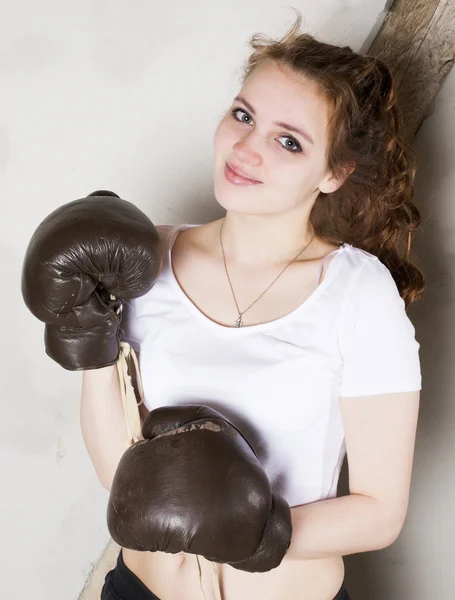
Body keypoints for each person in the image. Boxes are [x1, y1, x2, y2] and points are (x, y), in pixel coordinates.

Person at [84, 11, 423, 600]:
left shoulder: (356, 293)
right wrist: (85, 339)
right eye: (243, 115)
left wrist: (256, 534)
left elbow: (380, 511)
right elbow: (121, 471)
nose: (245, 148)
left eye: (289, 141)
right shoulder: (142, 258)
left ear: (334, 173)